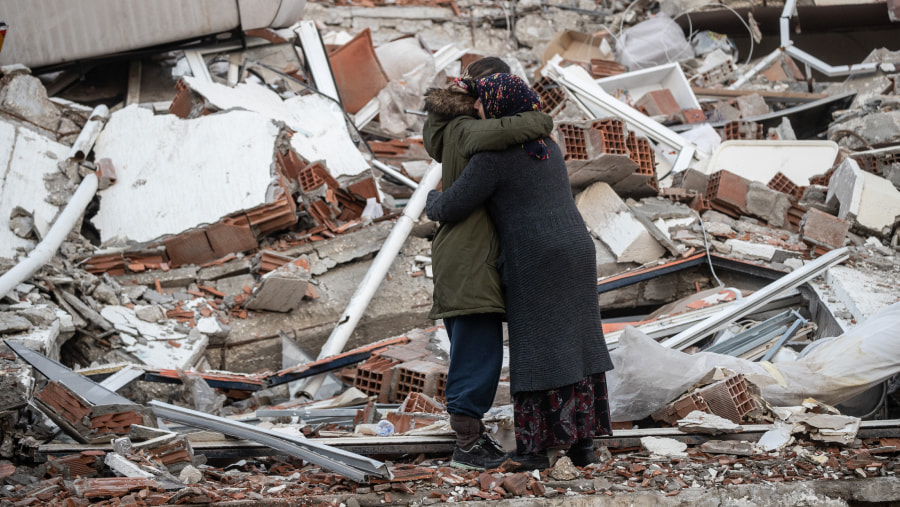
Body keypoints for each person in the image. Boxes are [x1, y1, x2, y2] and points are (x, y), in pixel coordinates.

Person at [425, 73, 614, 470]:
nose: (476, 108)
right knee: (577, 345)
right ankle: (582, 446)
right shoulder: (550, 147)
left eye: (481, 102)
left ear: (497, 107)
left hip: (536, 257)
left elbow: (451, 207)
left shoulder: (494, 159)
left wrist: (432, 197)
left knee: (536, 351)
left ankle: (532, 451)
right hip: (578, 250)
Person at [422, 58, 554, 470]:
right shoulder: (464, 131)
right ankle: (466, 445)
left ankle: (469, 439)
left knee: (475, 350)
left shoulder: (449, 130)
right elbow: (513, 127)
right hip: (469, 259)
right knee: (478, 354)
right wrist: (541, 119)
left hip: (467, 255)